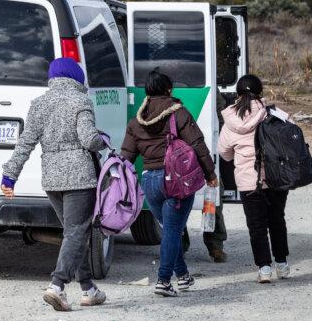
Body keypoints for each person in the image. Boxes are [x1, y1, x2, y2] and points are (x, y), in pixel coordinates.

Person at [0, 58, 108, 312]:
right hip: (79, 176)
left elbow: (25, 142)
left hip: (51, 178)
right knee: (77, 232)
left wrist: (9, 176)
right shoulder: (80, 101)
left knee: (73, 233)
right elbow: (88, 139)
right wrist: (103, 139)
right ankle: (57, 285)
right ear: (76, 78)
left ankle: (88, 289)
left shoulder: (39, 104)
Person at [120, 71, 218, 297]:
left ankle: (183, 277)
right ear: (169, 90)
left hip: (150, 181)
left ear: (147, 92)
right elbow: (198, 144)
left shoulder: (136, 121)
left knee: (171, 231)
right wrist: (210, 173)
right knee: (173, 231)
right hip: (176, 181)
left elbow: (127, 155)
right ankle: (163, 281)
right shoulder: (178, 114)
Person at [218, 74, 290, 283]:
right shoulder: (273, 113)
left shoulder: (231, 120)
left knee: (256, 226)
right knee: (277, 221)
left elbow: (224, 153)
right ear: (260, 91)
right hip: (276, 178)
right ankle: (282, 265)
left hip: (248, 180)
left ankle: (264, 269)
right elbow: (291, 133)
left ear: (238, 93)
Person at [203, 88, 228, 262]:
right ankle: (179, 245)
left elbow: (221, 115)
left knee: (212, 200)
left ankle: (215, 245)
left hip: (208, 149)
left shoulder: (208, 83)